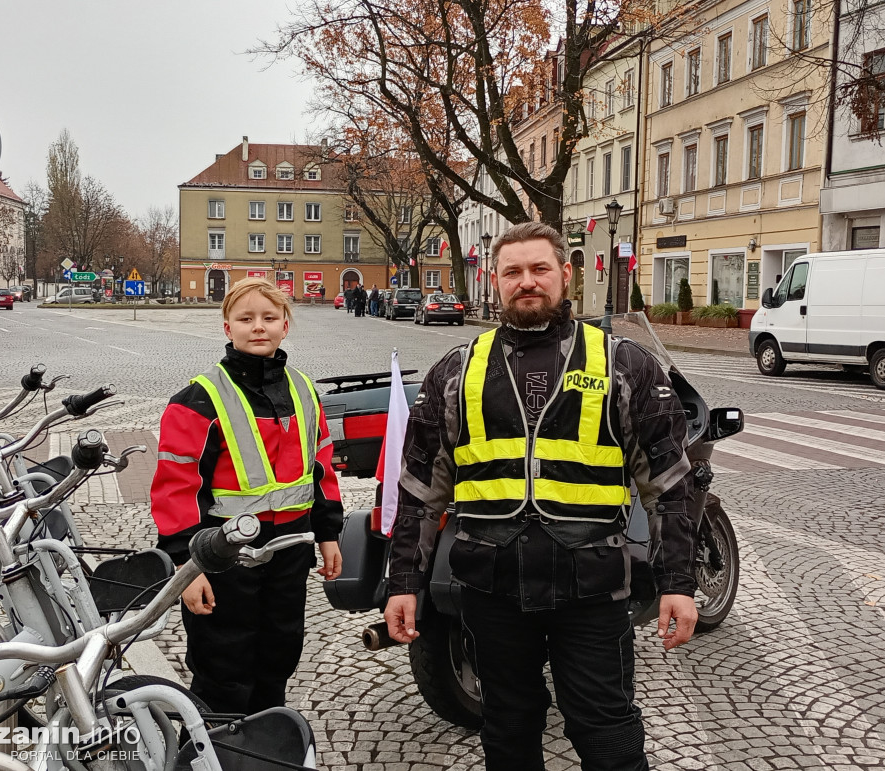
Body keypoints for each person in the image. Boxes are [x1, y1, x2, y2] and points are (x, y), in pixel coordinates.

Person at [384, 222, 698, 771]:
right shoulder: (457, 371)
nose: (527, 282)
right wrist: (403, 584)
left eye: (539, 269)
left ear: (565, 275)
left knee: (608, 730)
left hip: (592, 587)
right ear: (493, 280)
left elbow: (669, 484)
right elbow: (417, 491)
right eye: (513, 272)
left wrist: (679, 584)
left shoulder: (623, 364)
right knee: (507, 726)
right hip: (492, 587)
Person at [149, 277, 343, 715]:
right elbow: (175, 487)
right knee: (223, 667)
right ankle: (213, 754)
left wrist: (328, 534)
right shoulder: (198, 399)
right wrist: (186, 566)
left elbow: (322, 468)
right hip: (223, 558)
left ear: (285, 326)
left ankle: (266, 744)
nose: (259, 327)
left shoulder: (304, 390)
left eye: (269, 318)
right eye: (246, 318)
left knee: (278, 658)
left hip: (288, 551)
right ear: (226, 327)